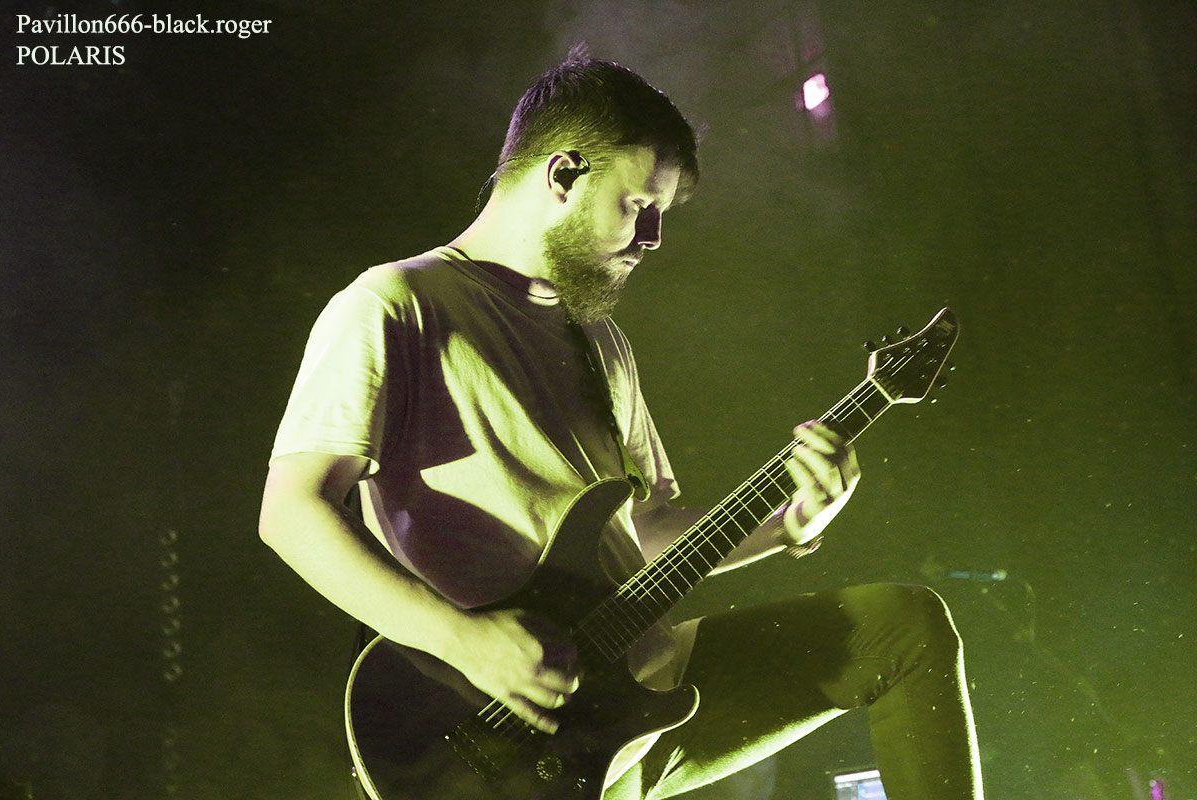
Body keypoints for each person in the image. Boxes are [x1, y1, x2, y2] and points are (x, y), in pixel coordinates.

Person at [258, 51, 984, 800]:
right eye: (638, 205)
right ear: (563, 174)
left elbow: (645, 535)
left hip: (643, 697)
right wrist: (465, 642)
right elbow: (290, 511)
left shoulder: (600, 341)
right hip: (502, 738)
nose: (654, 236)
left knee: (903, 627)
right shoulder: (394, 305)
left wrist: (788, 527)